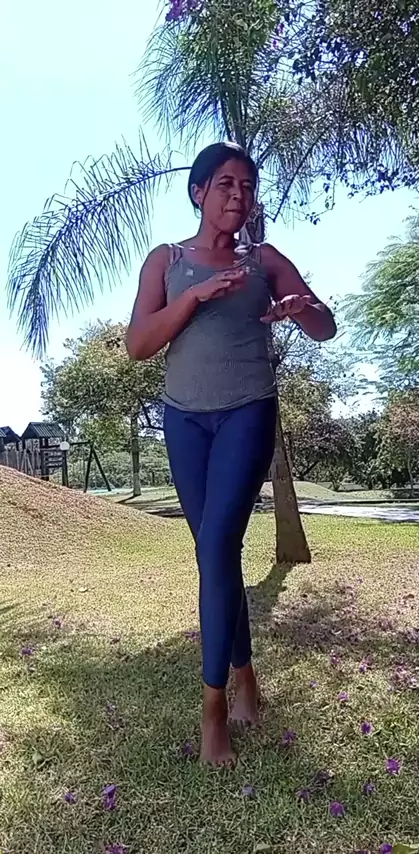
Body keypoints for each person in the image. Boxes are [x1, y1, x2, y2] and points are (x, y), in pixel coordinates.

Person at [126, 142, 336, 766]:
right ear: (198, 193)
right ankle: (246, 678)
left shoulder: (264, 259)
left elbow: (326, 326)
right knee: (215, 555)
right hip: (183, 421)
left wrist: (302, 309)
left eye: (247, 186)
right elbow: (139, 344)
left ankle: (212, 710)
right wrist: (195, 297)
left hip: (247, 410)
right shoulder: (166, 261)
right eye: (225, 184)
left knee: (217, 546)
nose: (238, 195)